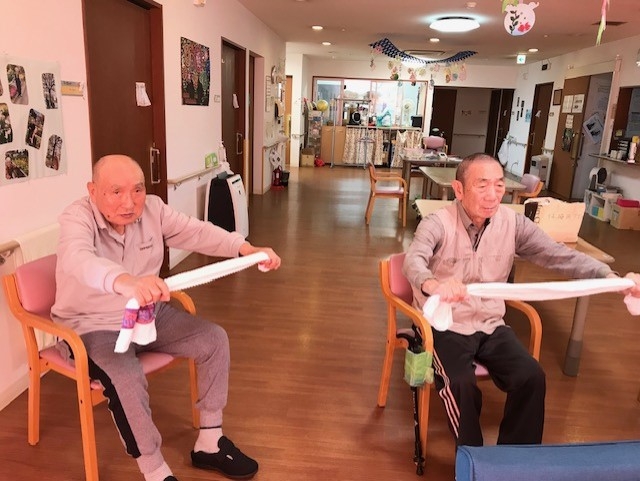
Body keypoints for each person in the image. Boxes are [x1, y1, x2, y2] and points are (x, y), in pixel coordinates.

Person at [51, 154, 281, 481]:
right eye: (116, 192)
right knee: (126, 378)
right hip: (93, 326)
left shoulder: (153, 210)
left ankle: (210, 442)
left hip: (146, 315)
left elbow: (197, 232)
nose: (129, 202)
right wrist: (125, 281)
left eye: (137, 190)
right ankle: (155, 471)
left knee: (213, 339)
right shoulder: (77, 217)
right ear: (93, 190)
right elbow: (78, 259)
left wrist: (246, 249)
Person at [403, 152, 640, 448]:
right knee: (460, 384)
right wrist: (434, 284)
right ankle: (474, 460)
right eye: (482, 185)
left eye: (499, 185)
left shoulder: (512, 224)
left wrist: (611, 278)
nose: (493, 195)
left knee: (532, 377)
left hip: (490, 322)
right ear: (459, 189)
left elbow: (558, 255)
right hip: (446, 325)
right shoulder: (437, 223)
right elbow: (413, 261)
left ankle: (516, 459)